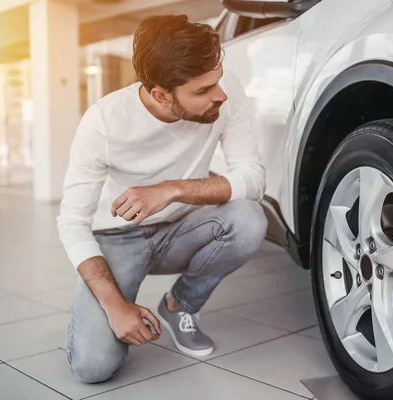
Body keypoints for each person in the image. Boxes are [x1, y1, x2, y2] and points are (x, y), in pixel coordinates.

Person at [57, 14, 268, 384]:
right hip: (118, 238)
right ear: (161, 95)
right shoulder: (104, 122)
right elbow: (72, 222)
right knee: (93, 368)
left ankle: (179, 306)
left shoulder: (225, 92)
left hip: (185, 227)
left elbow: (253, 178)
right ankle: (97, 312)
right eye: (202, 91)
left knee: (250, 218)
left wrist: (170, 190)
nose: (219, 95)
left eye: (216, 81)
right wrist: (113, 304)